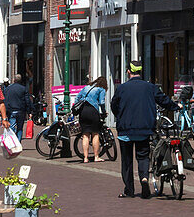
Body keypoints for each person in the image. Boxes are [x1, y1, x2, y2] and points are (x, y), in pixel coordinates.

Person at [111, 61, 177, 199]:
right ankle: (144, 179)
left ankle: (129, 190)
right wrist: (176, 106)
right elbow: (163, 100)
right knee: (143, 157)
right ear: (141, 72)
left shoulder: (122, 88)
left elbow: (114, 105)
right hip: (144, 129)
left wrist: (121, 117)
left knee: (127, 161)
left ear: (129, 72)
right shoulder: (150, 87)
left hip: (126, 130)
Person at [75, 77, 108, 163]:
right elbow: (101, 102)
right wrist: (103, 112)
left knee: (85, 135)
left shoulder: (86, 87)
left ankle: (85, 158)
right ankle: (96, 156)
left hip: (83, 112)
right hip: (93, 112)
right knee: (95, 134)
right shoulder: (101, 89)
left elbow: (77, 97)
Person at [3, 74, 31, 140]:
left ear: (14, 80)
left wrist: (5, 112)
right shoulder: (23, 89)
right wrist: (29, 111)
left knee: (12, 127)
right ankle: (18, 142)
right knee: (20, 128)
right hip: (21, 111)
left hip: (11, 110)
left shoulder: (8, 89)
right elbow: (27, 101)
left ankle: (12, 142)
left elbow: (5, 101)